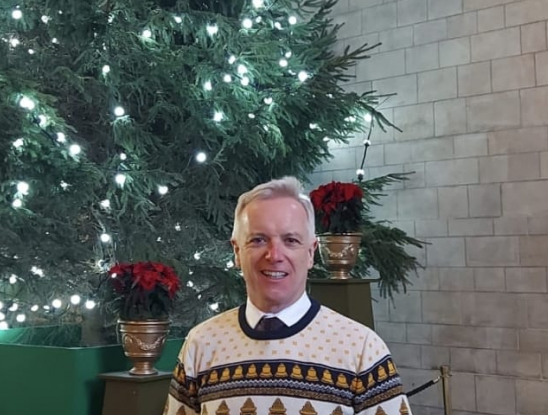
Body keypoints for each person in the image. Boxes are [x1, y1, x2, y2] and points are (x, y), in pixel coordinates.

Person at [163, 177, 412, 415]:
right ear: (237, 251)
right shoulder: (201, 344)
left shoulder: (362, 349)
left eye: (290, 240)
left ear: (311, 252)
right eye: (258, 240)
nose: (274, 254)